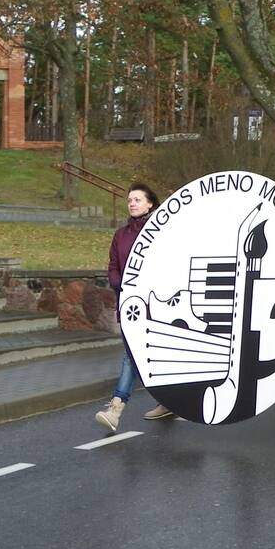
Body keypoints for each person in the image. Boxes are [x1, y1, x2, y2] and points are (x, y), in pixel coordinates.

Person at [95, 183, 173, 431]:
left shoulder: (161, 232)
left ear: (150, 203)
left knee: (137, 356)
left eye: (137, 199)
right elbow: (113, 267)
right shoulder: (121, 235)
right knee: (136, 354)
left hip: (154, 305)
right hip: (129, 307)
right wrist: (123, 285)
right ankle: (167, 400)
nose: (132, 203)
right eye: (129, 200)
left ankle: (116, 409)